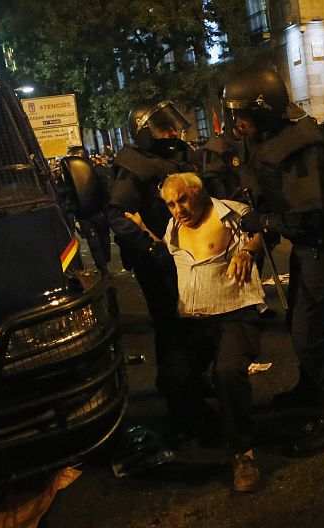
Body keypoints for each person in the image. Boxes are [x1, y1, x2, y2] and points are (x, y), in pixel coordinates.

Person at [222, 68, 324, 456]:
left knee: (306, 333)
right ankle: (309, 388)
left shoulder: (298, 147)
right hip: (307, 245)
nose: (236, 123)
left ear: (263, 110)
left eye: (241, 114)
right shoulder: (270, 139)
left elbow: (306, 215)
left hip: (323, 244)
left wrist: (259, 222)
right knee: (298, 314)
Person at [125, 172, 266, 492]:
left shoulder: (231, 213)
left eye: (183, 200)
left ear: (200, 193)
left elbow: (262, 230)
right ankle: (210, 422)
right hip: (193, 319)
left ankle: (243, 453)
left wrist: (248, 251)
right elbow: (169, 256)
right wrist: (143, 231)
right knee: (171, 377)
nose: (178, 209)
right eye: (171, 204)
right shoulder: (174, 226)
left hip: (234, 313)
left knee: (228, 371)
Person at [106, 98, 198, 433]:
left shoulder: (178, 158)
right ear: (144, 132)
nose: (171, 132)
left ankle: (192, 386)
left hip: (189, 257)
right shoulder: (135, 166)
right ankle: (180, 406)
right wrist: (150, 246)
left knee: (196, 326)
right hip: (158, 264)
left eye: (172, 124)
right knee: (172, 330)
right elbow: (117, 215)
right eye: (162, 127)